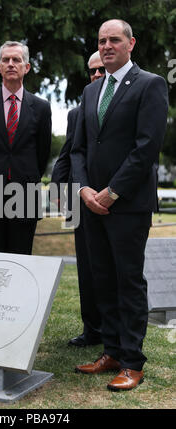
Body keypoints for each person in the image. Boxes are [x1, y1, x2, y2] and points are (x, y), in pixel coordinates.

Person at [70, 19, 168, 391]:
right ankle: (110, 351)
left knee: (127, 281)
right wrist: (83, 192)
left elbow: (146, 149)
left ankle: (131, 361)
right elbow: (78, 149)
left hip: (126, 205)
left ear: (131, 44)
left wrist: (110, 193)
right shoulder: (91, 92)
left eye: (114, 40)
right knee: (102, 280)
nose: (107, 45)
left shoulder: (150, 84)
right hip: (91, 202)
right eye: (101, 41)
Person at [0, 41, 51, 254]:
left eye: (16, 59)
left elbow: (42, 154)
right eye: (6, 60)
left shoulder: (41, 108)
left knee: (21, 259)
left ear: (27, 67)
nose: (11, 64)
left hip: (25, 193)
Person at [51, 51, 104, 347]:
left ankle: (114, 331)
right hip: (79, 200)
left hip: (114, 201)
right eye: (92, 71)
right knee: (86, 268)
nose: (96, 75)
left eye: (100, 70)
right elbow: (68, 154)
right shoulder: (76, 112)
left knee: (111, 269)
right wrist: (58, 189)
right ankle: (92, 330)